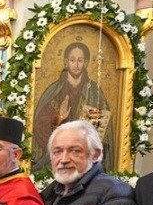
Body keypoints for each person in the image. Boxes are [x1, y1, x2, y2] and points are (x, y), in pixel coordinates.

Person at [32, 42, 113, 172]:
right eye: (72, 60)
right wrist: (58, 119)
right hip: (58, 160)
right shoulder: (55, 90)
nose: (76, 65)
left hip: (84, 159)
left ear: (86, 63)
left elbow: (104, 130)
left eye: (80, 60)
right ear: (66, 62)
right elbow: (39, 125)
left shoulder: (94, 91)